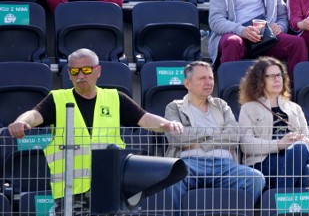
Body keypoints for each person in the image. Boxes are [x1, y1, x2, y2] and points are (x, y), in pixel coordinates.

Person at [8, 48, 183, 210]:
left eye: (86, 70)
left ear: (97, 71)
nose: (80, 76)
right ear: (69, 74)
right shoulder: (57, 99)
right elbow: (34, 115)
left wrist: (165, 124)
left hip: (110, 186)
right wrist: (21, 121)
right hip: (70, 190)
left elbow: (144, 118)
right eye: (74, 71)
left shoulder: (115, 98)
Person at [164, 61, 265, 210]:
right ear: (187, 83)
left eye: (211, 78)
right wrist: (215, 132)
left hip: (225, 165)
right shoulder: (174, 107)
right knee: (171, 180)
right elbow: (176, 137)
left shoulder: (221, 105)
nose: (209, 82)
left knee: (255, 179)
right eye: (202, 78)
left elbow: (234, 135)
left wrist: (201, 143)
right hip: (189, 164)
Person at [238, 57, 309, 191]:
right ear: (260, 81)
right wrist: (279, 144)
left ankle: (281, 203)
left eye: (279, 75)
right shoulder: (248, 108)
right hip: (263, 162)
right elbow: (246, 145)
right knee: (307, 174)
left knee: (300, 148)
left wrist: (306, 141)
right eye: (271, 76)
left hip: (294, 155)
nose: (277, 79)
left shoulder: (295, 108)